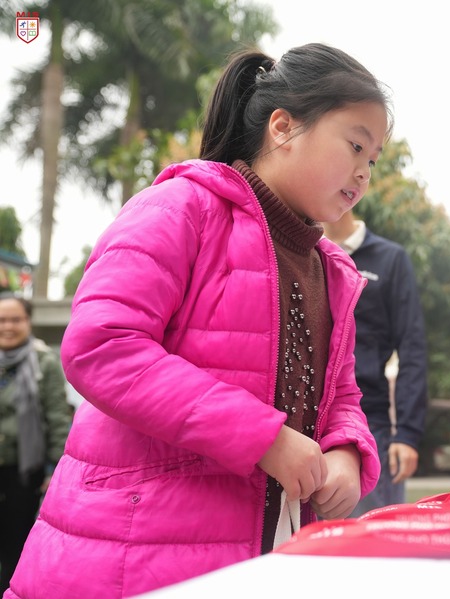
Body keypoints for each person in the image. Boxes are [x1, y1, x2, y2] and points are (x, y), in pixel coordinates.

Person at [5, 43, 390, 599]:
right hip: (132, 555)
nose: (363, 172)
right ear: (283, 127)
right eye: (355, 144)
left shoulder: (334, 273)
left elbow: (343, 396)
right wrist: (263, 438)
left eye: (373, 159)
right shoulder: (182, 207)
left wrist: (348, 453)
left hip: (263, 558)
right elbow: (101, 344)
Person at [323, 209, 428, 514]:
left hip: (368, 423)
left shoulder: (390, 259)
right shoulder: (302, 249)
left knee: (372, 535)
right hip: (301, 424)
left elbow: (412, 347)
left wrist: (407, 433)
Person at [0, 294, 71, 592]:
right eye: (2, 320)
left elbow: (57, 417)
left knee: (16, 542)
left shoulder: (44, 362)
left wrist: (54, 469)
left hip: (24, 471)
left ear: (28, 322)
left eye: (15, 320)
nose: (8, 326)